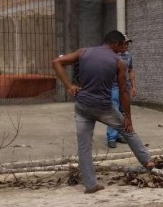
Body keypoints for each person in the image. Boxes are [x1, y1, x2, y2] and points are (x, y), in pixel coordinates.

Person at [52, 30, 154, 194]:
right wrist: (128, 117)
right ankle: (147, 161)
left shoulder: (83, 52)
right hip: (103, 108)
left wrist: (69, 86)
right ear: (115, 44)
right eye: (122, 45)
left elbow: (56, 62)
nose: (124, 49)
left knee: (84, 147)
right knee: (128, 130)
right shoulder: (119, 62)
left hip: (82, 106)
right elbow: (123, 92)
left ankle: (90, 185)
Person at [106, 42, 138, 148]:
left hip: (125, 88)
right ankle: (111, 137)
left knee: (123, 112)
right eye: (125, 43)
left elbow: (131, 70)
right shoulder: (112, 55)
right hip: (113, 87)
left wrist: (134, 86)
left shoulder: (129, 56)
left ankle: (120, 134)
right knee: (114, 111)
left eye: (128, 43)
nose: (127, 45)